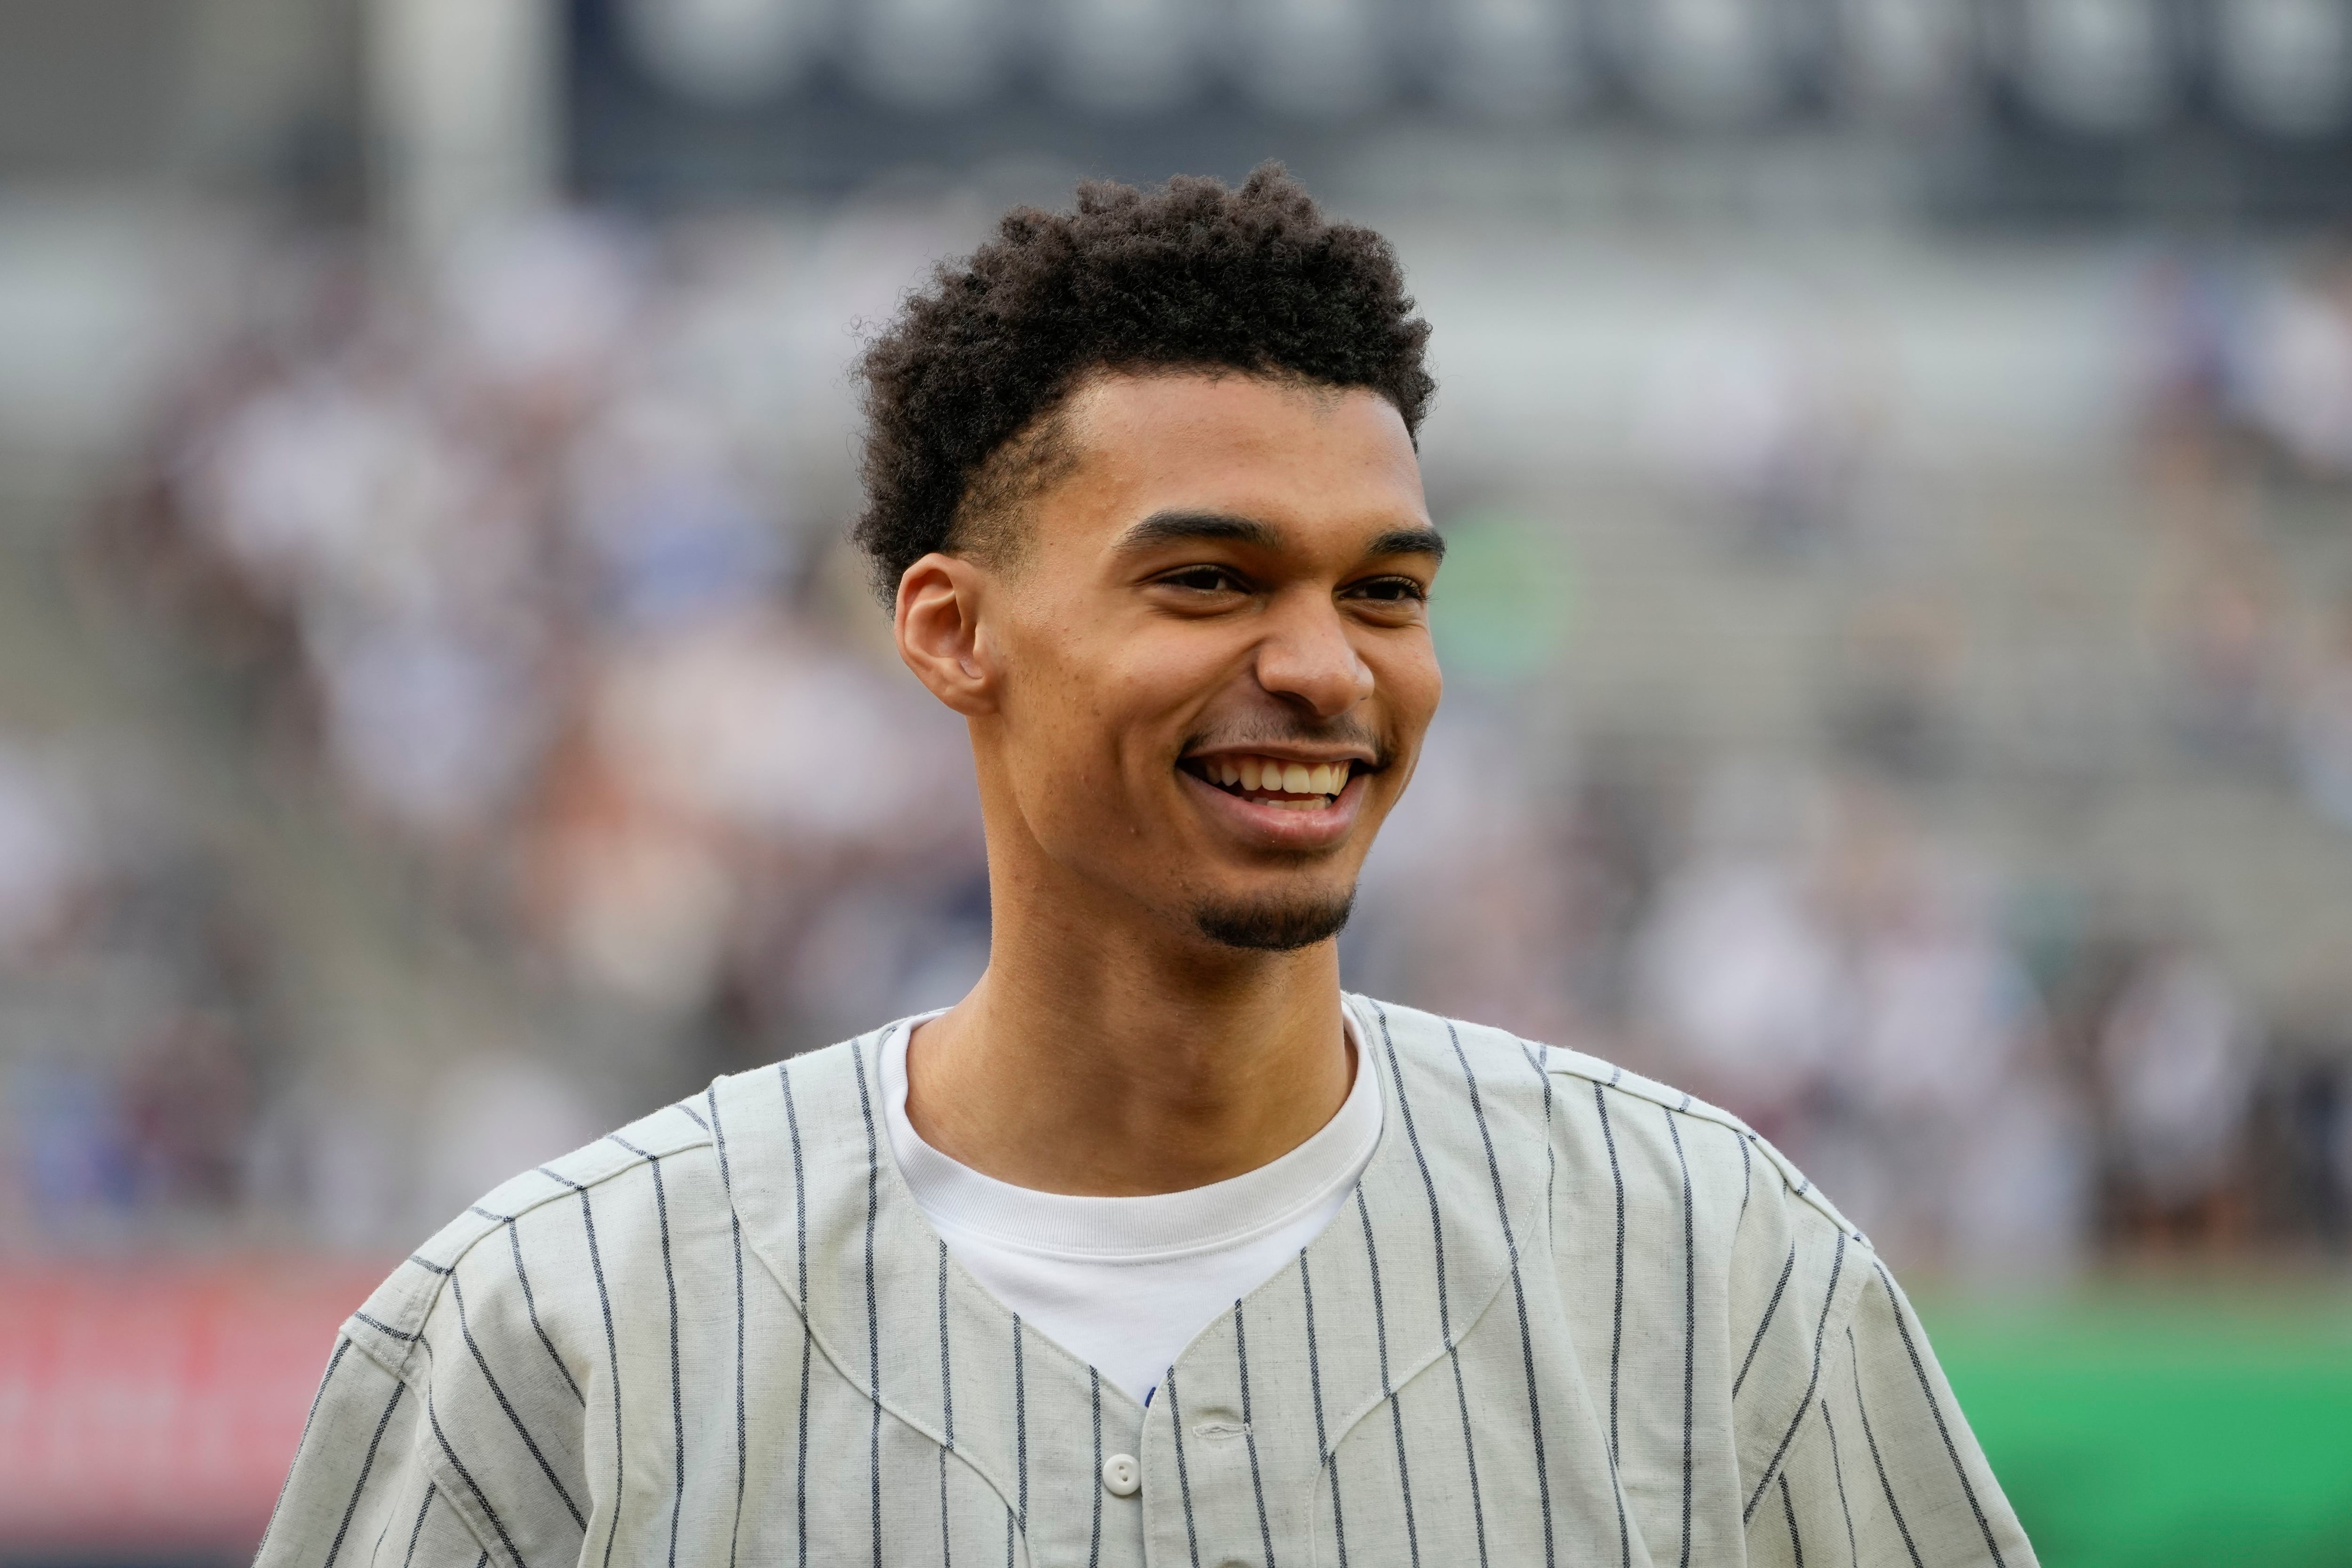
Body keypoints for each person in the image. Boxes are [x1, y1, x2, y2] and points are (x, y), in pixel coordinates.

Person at [259, 167, 2032, 1568]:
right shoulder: (564, 1323)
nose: (1329, 667)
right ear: (952, 632)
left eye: (1386, 593)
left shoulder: (1711, 1270)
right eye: (1210, 581)